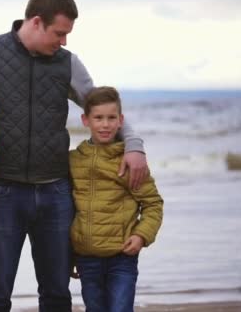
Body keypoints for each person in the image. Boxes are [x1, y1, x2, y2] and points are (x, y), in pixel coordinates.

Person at [0, 0, 149, 311]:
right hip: (1, 190)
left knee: (57, 293)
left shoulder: (68, 63)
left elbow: (101, 106)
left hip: (56, 193)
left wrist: (134, 146)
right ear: (36, 22)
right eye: (59, 33)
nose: (64, 41)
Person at [69, 86, 163, 312]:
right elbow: (67, 209)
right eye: (98, 118)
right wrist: (69, 253)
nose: (105, 124)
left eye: (111, 118)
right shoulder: (73, 161)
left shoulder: (130, 163)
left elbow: (153, 204)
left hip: (122, 257)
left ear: (121, 121)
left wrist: (141, 236)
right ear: (85, 120)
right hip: (87, 259)